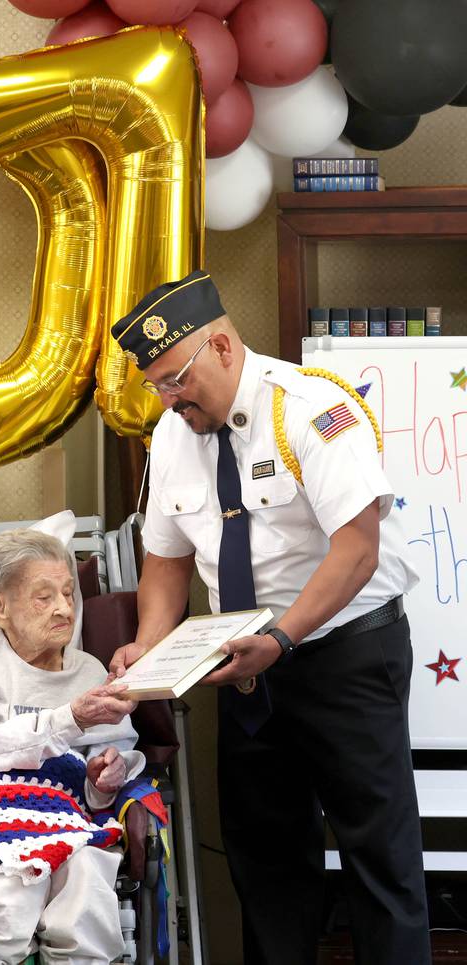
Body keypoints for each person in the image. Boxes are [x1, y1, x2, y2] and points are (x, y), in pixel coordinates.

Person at [108, 268, 431, 965]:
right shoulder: (170, 437)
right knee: (266, 865)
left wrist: (282, 638)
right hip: (245, 668)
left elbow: (358, 549)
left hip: (345, 656)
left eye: (177, 377)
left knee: (378, 856)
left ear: (222, 346)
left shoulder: (313, 408)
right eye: (157, 384)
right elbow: (164, 558)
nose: (169, 398)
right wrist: (147, 646)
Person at [0, 528, 142, 965]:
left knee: (89, 896)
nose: (63, 608)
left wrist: (105, 777)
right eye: (43, 597)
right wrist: (67, 719)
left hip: (72, 822)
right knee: (10, 900)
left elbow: (110, 766)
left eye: (68, 593)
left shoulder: (90, 671)